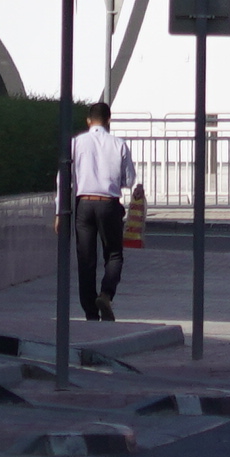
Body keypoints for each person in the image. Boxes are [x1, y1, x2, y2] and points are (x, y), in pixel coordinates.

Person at [63, 99, 141, 323]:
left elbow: (65, 178)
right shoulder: (119, 144)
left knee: (86, 259)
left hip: (84, 204)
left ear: (88, 121)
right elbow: (128, 179)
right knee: (114, 254)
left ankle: (90, 312)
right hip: (109, 203)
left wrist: (61, 211)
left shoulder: (76, 143)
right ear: (109, 120)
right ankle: (106, 294)